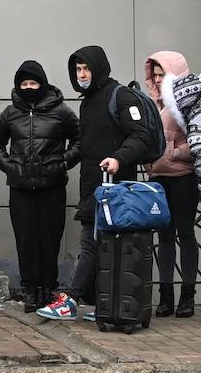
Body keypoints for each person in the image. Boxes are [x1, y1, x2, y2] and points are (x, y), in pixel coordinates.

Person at [38, 46, 154, 321]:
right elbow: (88, 146)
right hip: (93, 186)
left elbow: (141, 136)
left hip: (116, 188)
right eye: (78, 70)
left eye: (86, 69)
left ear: (99, 68)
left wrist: (118, 158)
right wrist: (61, 161)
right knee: (103, 247)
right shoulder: (87, 101)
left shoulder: (120, 96)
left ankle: (72, 300)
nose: (82, 74)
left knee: (91, 244)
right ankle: (106, 303)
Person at [0, 61, 80, 313]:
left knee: (49, 238)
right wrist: (9, 165)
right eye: (24, 84)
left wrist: (63, 162)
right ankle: (30, 290)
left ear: (43, 83)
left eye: (33, 83)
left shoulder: (61, 111)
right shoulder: (10, 112)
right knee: (26, 238)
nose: (29, 88)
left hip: (52, 185)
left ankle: (49, 289)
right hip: (21, 187)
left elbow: (80, 139)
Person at [143, 51, 197, 317]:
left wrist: (174, 152)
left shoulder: (190, 99)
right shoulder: (149, 102)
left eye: (162, 73)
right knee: (164, 237)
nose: (157, 78)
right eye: (154, 74)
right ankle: (165, 296)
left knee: (185, 235)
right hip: (157, 179)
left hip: (183, 178)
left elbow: (197, 137)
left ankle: (187, 295)